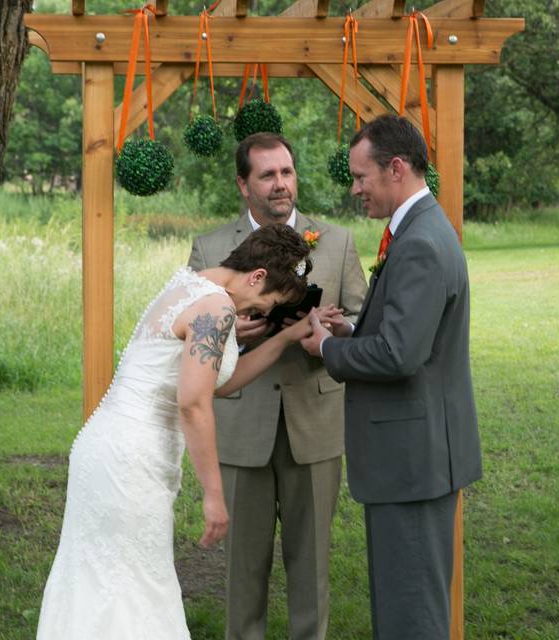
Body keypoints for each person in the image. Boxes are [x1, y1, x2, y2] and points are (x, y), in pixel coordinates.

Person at [37, 224, 315, 640]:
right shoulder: (216, 310)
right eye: (267, 301)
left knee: (98, 581)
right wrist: (215, 496)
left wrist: (285, 338)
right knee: (137, 587)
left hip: (105, 445)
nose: (260, 313)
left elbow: (218, 384)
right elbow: (194, 403)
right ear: (257, 276)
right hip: (132, 460)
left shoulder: (191, 284)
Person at [300, 115, 482, 639]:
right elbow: (411, 333)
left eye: (361, 177)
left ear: (396, 168)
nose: (355, 188)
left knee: (411, 615)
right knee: (405, 604)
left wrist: (329, 347)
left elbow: (401, 355)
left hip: (413, 462)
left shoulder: (421, 242)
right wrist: (354, 326)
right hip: (413, 459)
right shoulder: (419, 229)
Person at [188, 132, 367, 640]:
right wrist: (229, 334)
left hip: (314, 421)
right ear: (243, 185)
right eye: (267, 175)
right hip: (241, 424)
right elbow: (187, 331)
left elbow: (362, 316)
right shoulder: (210, 248)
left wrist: (339, 331)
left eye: (286, 172)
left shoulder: (336, 241)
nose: (280, 184)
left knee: (311, 565)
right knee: (242, 570)